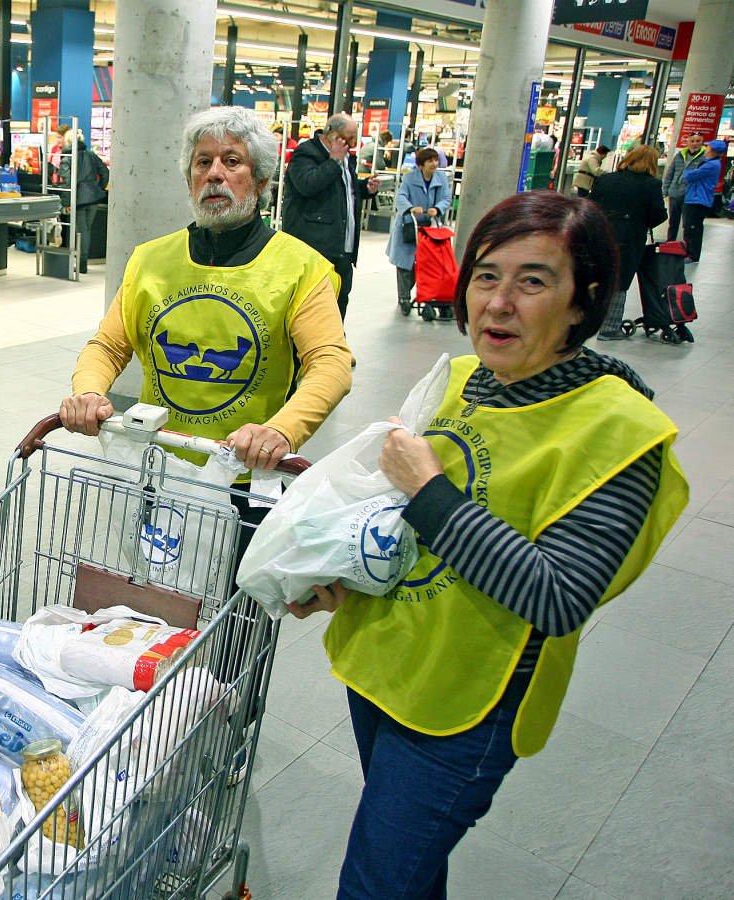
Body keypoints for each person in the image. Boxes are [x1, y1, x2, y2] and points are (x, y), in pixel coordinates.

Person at [290, 190, 687, 900]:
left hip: (469, 706)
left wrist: (429, 491)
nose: (498, 302)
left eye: (532, 281)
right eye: (485, 275)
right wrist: (340, 572)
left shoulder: (620, 431)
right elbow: (407, 526)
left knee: (376, 885)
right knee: (410, 869)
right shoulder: (465, 380)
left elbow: (559, 596)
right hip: (387, 662)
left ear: (584, 298)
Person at [60, 105, 352, 541]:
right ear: (189, 179)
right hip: (159, 469)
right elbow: (108, 346)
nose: (215, 173)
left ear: (262, 181)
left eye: (232, 161)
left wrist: (279, 431)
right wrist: (88, 391)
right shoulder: (150, 261)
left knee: (236, 608)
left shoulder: (300, 268)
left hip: (247, 478)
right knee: (155, 601)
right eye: (203, 162)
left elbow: (330, 363)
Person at [282, 112, 381, 318]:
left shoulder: (346, 158)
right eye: (349, 138)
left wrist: (365, 188)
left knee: (339, 306)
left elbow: (343, 192)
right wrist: (333, 161)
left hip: (342, 250)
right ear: (333, 134)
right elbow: (307, 185)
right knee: (314, 312)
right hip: (315, 250)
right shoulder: (306, 153)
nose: (353, 143)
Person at [590, 144, 667, 340]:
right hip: (628, 237)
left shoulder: (606, 179)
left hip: (599, 233)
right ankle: (609, 328)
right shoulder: (651, 185)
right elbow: (658, 215)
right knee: (619, 281)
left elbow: (589, 205)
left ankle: (583, 321)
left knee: (594, 276)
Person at [387, 147, 452, 315]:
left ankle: (428, 295)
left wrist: (437, 209)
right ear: (421, 164)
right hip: (410, 224)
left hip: (430, 226)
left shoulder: (441, 178)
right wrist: (410, 208)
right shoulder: (409, 178)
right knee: (405, 264)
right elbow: (401, 196)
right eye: (430, 161)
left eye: (436, 160)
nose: (434, 164)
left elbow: (446, 198)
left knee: (428, 262)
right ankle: (404, 297)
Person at [64, 133, 109, 273]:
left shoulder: (67, 158)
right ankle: (83, 261)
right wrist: (98, 187)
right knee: (86, 230)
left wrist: (66, 202)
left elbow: (66, 181)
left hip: (78, 199)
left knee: (81, 231)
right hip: (93, 198)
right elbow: (105, 172)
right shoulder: (91, 155)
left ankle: (82, 264)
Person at [680, 138, 726, 263]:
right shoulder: (708, 163)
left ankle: (692, 254)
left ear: (714, 151)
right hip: (693, 198)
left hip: (698, 200)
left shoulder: (712, 165)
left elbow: (689, 175)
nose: (705, 149)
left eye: (709, 147)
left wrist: (688, 171)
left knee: (694, 228)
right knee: (689, 227)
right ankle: (688, 252)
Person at [661, 133, 702, 242]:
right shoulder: (680, 155)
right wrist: (665, 190)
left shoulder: (704, 158)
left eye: (698, 141)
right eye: (692, 141)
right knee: (673, 222)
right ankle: (670, 243)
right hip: (674, 193)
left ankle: (686, 245)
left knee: (687, 223)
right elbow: (670, 173)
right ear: (688, 142)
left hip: (689, 195)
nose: (695, 144)